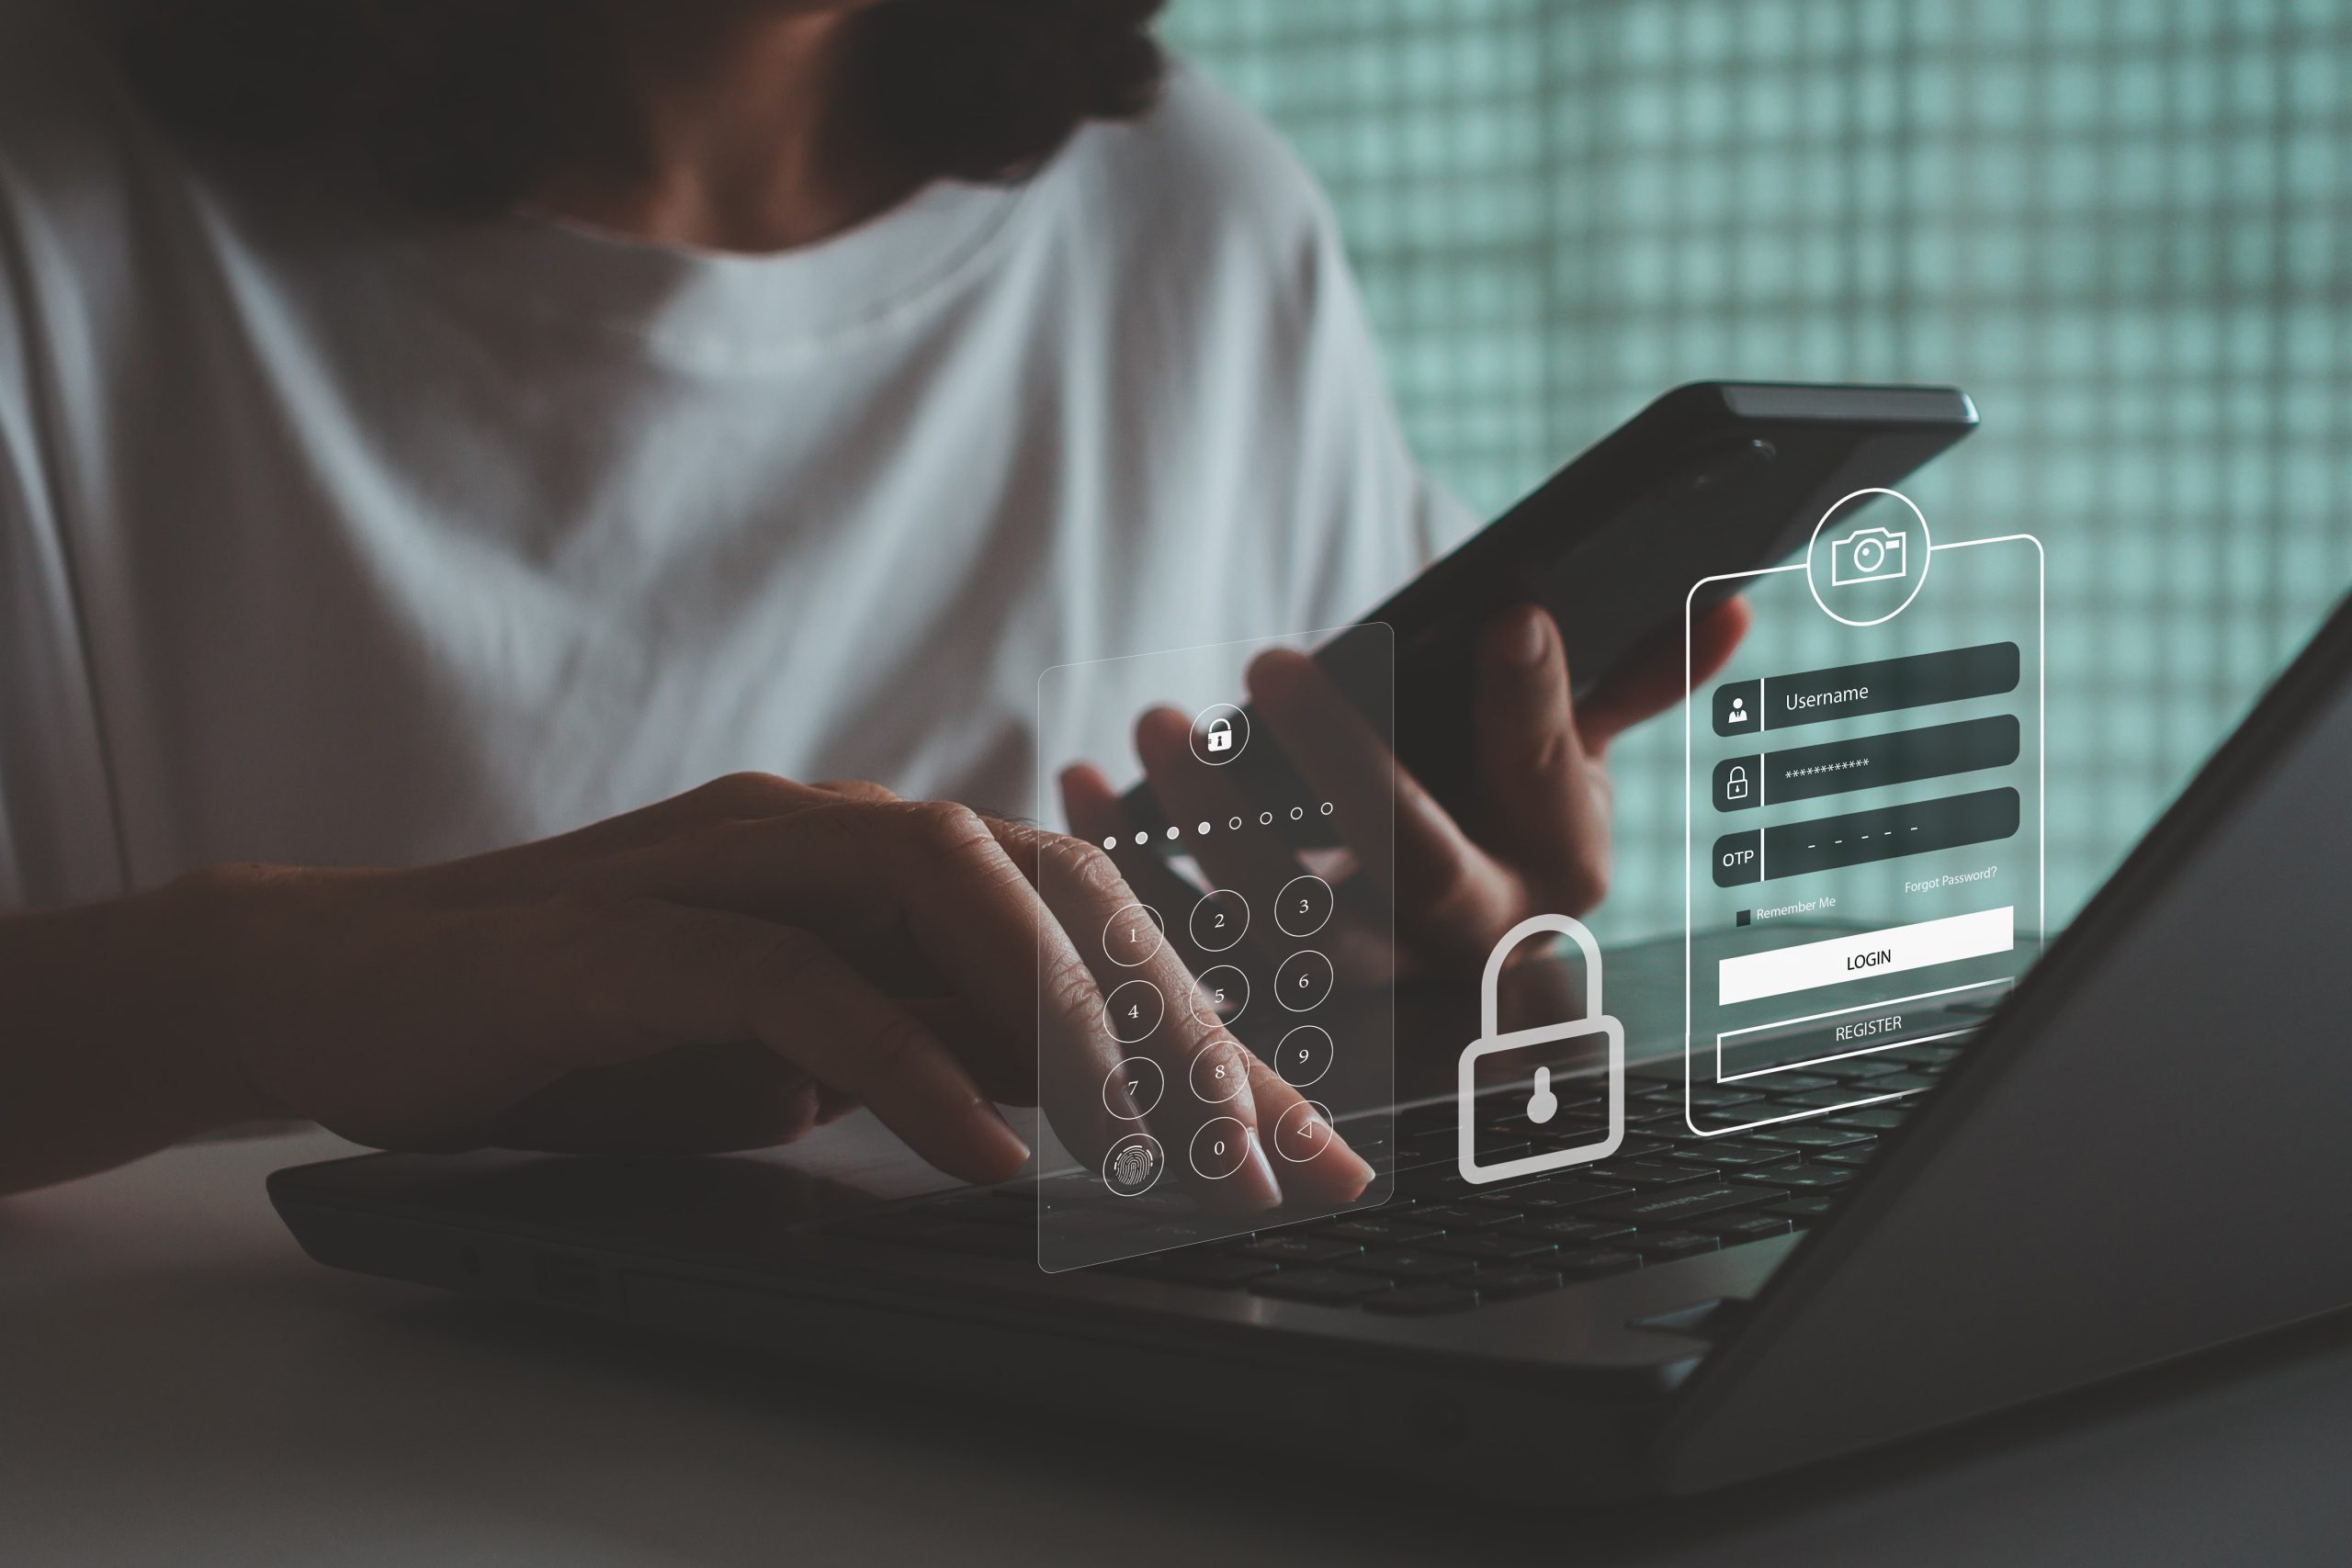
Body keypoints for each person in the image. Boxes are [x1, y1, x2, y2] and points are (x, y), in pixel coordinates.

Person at [0, 0, 1747, 1201]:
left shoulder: (1196, 228)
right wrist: (258, 985)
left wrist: (1435, 952)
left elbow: (1301, 982)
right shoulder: (52, 194)